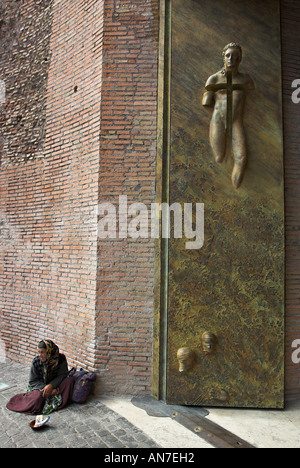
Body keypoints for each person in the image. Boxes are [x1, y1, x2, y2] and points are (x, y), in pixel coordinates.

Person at [202, 43, 255, 189]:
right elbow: (206, 102)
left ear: (240, 59)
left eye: (235, 56)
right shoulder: (214, 79)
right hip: (218, 119)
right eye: (228, 55)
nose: (231, 58)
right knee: (219, 158)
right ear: (223, 57)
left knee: (242, 158)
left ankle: (237, 191)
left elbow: (253, 94)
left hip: (236, 122)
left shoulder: (246, 80)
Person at [6, 339, 74, 415]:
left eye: (42, 352)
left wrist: (51, 385)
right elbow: (33, 381)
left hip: (56, 385)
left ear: (49, 351)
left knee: (69, 380)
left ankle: (58, 399)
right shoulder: (36, 361)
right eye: (38, 352)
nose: (40, 355)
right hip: (40, 388)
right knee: (37, 397)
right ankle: (52, 397)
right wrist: (48, 390)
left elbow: (62, 374)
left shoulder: (60, 359)